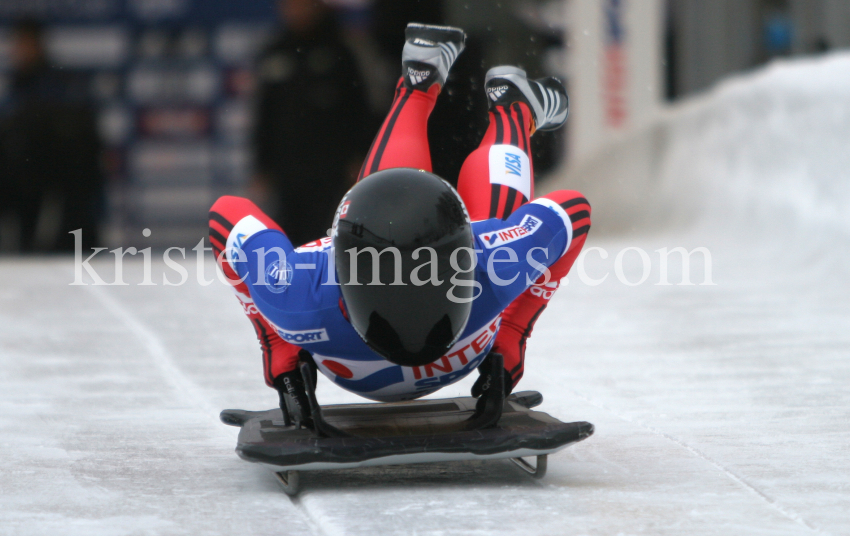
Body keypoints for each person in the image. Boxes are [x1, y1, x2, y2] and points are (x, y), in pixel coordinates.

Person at [209, 24, 590, 422]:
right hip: (468, 315)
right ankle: (512, 107)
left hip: (367, 337)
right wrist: (510, 331)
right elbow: (572, 212)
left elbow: (226, 214)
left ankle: (435, 86)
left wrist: (277, 341)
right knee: (488, 218)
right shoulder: (293, 293)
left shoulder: (292, 299)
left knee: (489, 221)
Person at [250, 0, 373, 247]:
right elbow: (264, 115)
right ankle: (295, 288)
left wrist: (360, 158)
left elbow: (362, 108)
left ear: (315, 2)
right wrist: (261, 166)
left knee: (327, 240)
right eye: (290, 2)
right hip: (288, 172)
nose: (296, 9)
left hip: (331, 171)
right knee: (289, 241)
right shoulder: (275, 51)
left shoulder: (341, 50)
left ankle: (329, 290)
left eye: (302, 1)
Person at [0, 19, 102, 253]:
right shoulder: (14, 86)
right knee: (24, 247)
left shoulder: (58, 86)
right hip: (18, 193)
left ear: (39, 45)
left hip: (52, 190)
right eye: (16, 44)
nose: (19, 51)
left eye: (25, 44)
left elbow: (76, 145)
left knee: (52, 248)